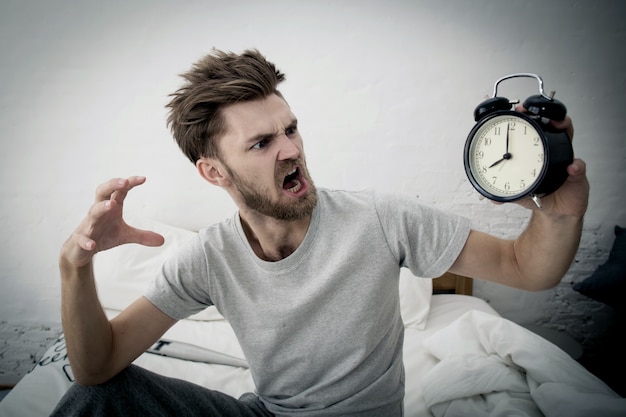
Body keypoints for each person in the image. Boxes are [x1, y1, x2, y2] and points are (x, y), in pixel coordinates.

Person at [51, 49, 589, 417]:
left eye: (290, 129)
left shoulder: (381, 219)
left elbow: (528, 268)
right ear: (214, 172)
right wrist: (74, 265)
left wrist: (558, 214)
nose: (291, 148)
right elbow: (97, 367)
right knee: (94, 400)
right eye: (261, 143)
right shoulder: (210, 257)